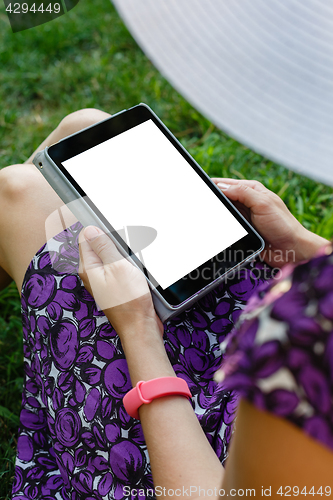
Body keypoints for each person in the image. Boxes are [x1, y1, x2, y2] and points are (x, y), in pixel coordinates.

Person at [0, 108, 330, 500]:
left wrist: (137, 327)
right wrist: (307, 250)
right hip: (261, 330)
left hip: (187, 450)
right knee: (85, 129)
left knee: (15, 191)